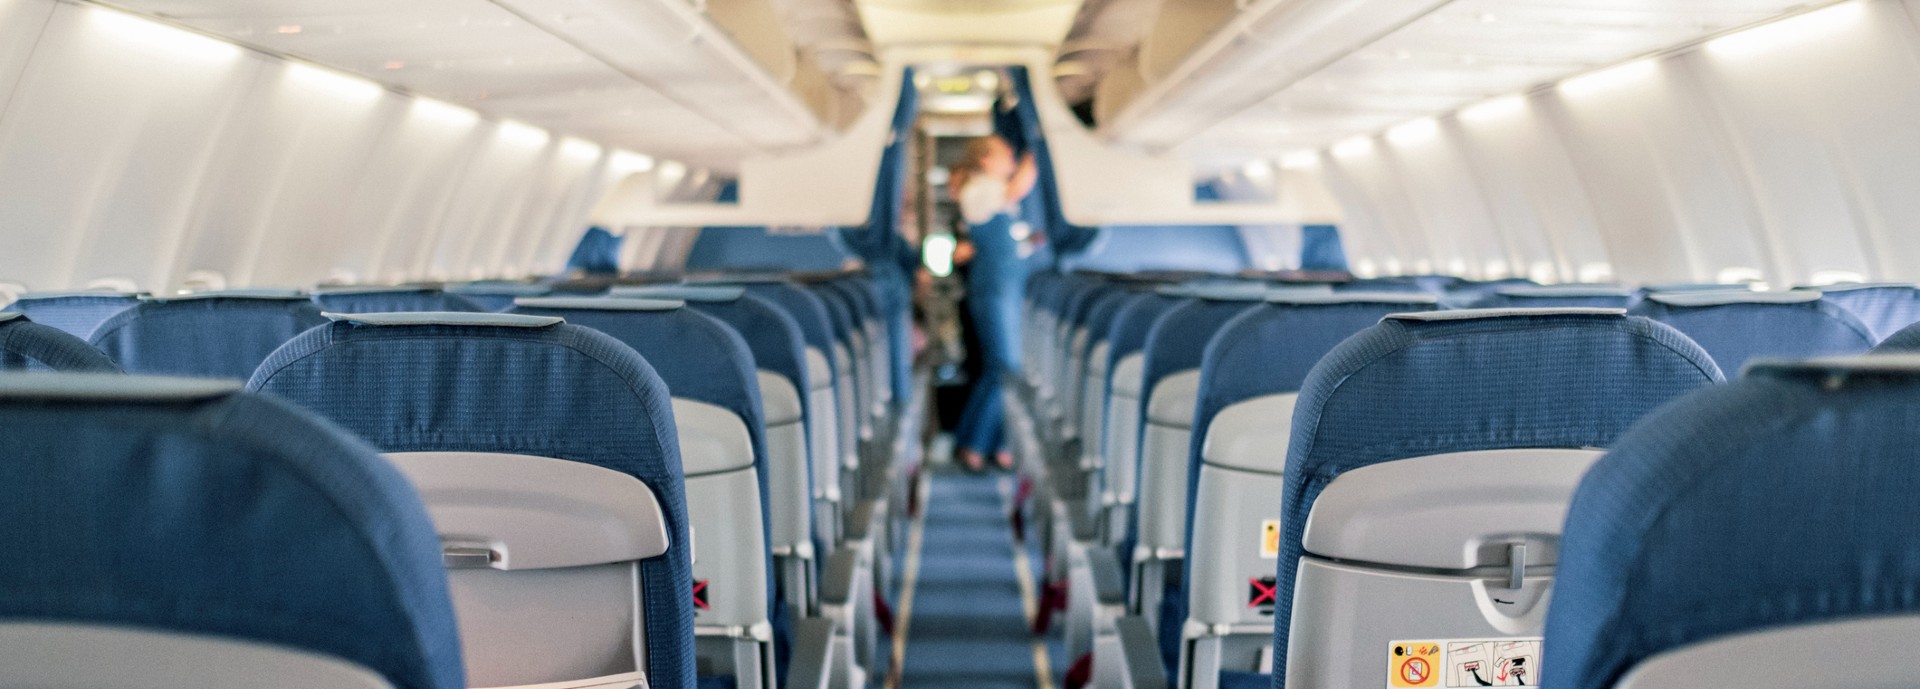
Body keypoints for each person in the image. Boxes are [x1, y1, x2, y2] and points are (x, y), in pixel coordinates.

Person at [948, 135, 1040, 471]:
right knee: (1004, 367)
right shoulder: (980, 188)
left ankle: (983, 443)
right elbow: (1018, 187)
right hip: (994, 289)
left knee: (999, 369)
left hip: (1004, 288)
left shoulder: (989, 190)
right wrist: (1039, 144)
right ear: (986, 160)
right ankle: (977, 444)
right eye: (1006, 155)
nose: (1012, 160)